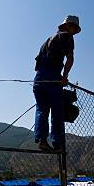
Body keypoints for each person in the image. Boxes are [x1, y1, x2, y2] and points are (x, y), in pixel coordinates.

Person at [33, 15, 81, 152]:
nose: (73, 31)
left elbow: (41, 64)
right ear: (68, 26)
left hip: (39, 79)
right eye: (73, 27)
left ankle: (42, 141)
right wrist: (64, 76)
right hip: (52, 79)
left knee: (42, 109)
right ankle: (57, 144)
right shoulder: (67, 37)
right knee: (57, 112)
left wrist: (55, 74)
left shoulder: (47, 40)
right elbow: (70, 59)